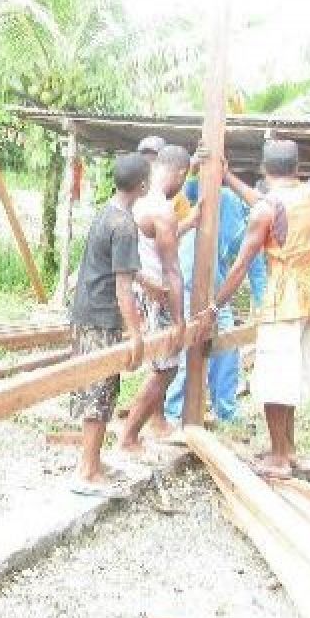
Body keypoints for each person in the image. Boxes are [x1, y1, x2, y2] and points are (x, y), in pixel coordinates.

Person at [198, 140, 310, 479]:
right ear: (297, 168)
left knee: (275, 379)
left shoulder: (266, 210)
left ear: (263, 169)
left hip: (285, 299)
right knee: (295, 375)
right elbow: (265, 204)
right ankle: (288, 447)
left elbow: (242, 263)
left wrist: (215, 304)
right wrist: (228, 179)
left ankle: (279, 457)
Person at [164, 153, 267, 424]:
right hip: (183, 285)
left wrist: (263, 301)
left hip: (214, 291)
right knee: (185, 352)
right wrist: (192, 169)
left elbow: (253, 262)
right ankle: (174, 414)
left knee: (226, 347)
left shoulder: (243, 216)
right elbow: (172, 196)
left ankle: (226, 412)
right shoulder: (200, 191)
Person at [68, 153, 150, 495]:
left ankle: (92, 462)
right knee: (98, 393)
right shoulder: (125, 226)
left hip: (86, 309)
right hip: (102, 316)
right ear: (143, 186)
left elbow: (121, 270)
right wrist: (136, 335)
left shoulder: (107, 213)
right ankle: (87, 470)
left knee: (96, 388)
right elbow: (122, 288)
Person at [118, 145, 188, 453]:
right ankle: (129, 436)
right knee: (167, 367)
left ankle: (142, 427)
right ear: (181, 174)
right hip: (152, 294)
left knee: (154, 363)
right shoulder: (162, 210)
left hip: (130, 287)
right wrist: (179, 319)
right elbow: (172, 270)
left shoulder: (134, 198)